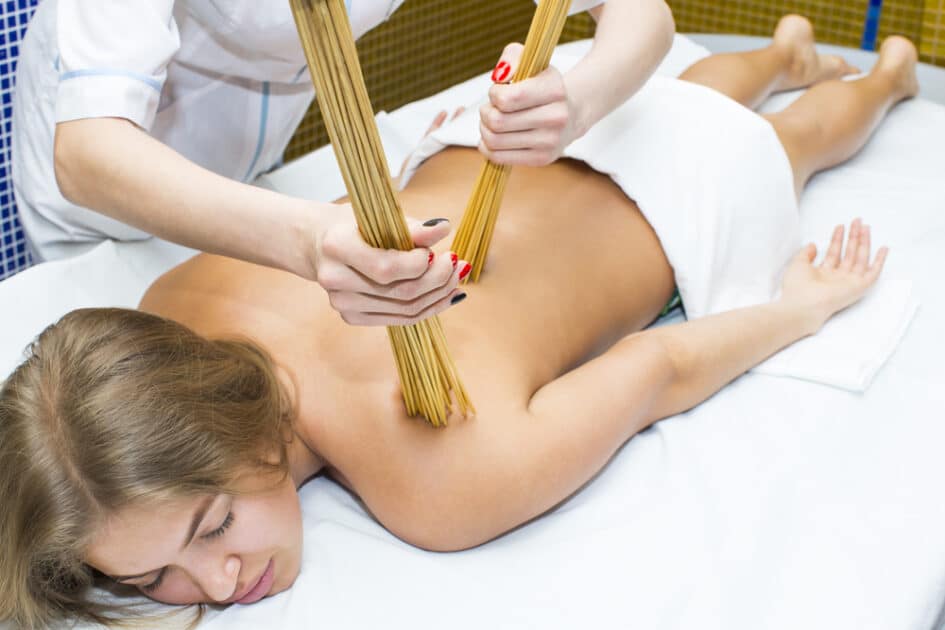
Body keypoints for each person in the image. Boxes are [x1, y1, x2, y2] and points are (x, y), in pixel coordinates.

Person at [0, 17, 919, 628]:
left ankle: (881, 78)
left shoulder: (437, 475)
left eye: (210, 528)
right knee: (697, 92)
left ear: (232, 437)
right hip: (476, 157)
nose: (218, 588)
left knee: (795, 139)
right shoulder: (175, 308)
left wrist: (798, 311)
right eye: (147, 581)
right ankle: (780, 57)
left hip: (636, 183)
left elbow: (657, 372)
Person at [10, 0, 675, 326]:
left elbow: (641, 13)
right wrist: (306, 238)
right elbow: (89, 152)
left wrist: (578, 100)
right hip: (103, 202)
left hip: (252, 180)